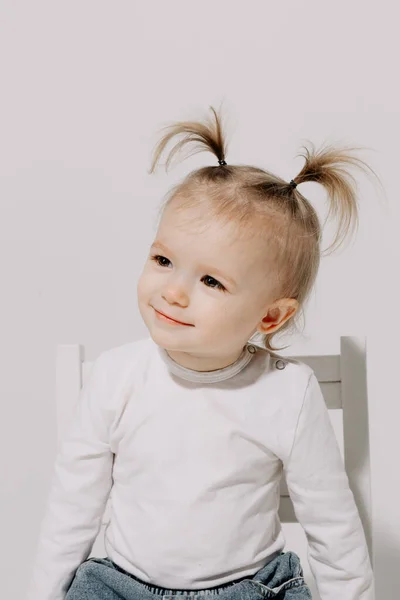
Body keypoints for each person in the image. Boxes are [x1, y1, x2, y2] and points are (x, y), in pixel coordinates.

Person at [26, 106, 380, 600]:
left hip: (247, 587)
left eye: (211, 280)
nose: (173, 291)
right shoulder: (116, 377)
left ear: (270, 317)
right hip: (120, 585)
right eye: (164, 260)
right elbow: (72, 507)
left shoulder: (287, 392)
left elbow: (331, 523)